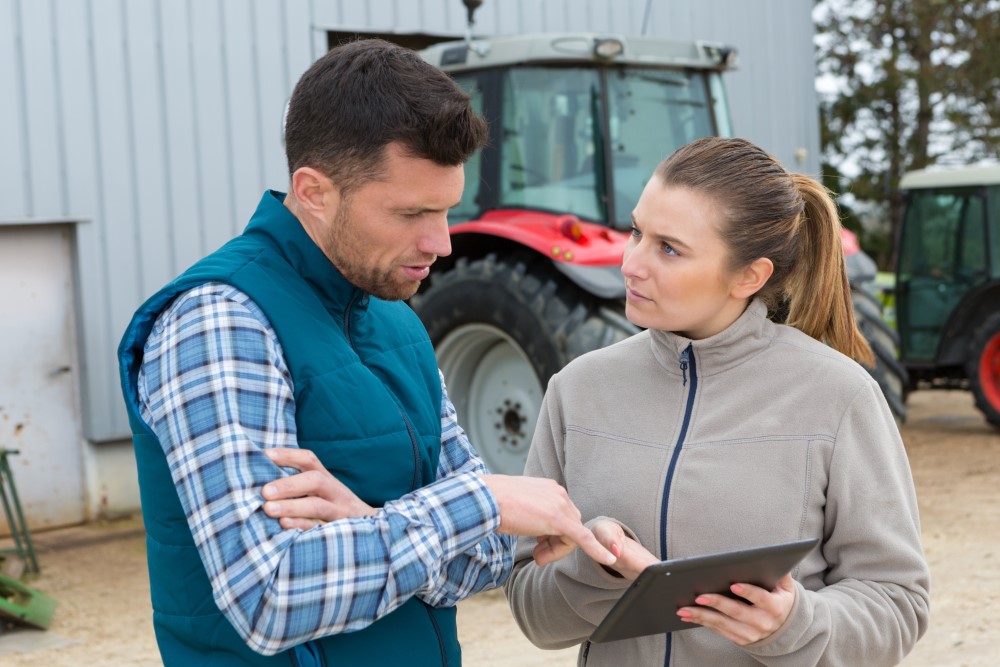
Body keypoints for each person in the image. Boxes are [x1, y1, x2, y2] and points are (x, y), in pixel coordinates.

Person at [117, 39, 613, 667]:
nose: (442, 243)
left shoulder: (397, 321)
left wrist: (365, 516)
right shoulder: (220, 322)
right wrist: (479, 502)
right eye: (412, 212)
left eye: (447, 209)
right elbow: (271, 598)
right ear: (314, 191)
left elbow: (485, 559)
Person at [505, 136, 930, 666]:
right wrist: (599, 566)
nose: (631, 264)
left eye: (668, 248)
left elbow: (898, 603)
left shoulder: (840, 398)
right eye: (637, 231)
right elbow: (532, 615)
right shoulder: (576, 390)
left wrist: (796, 625)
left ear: (749, 276)